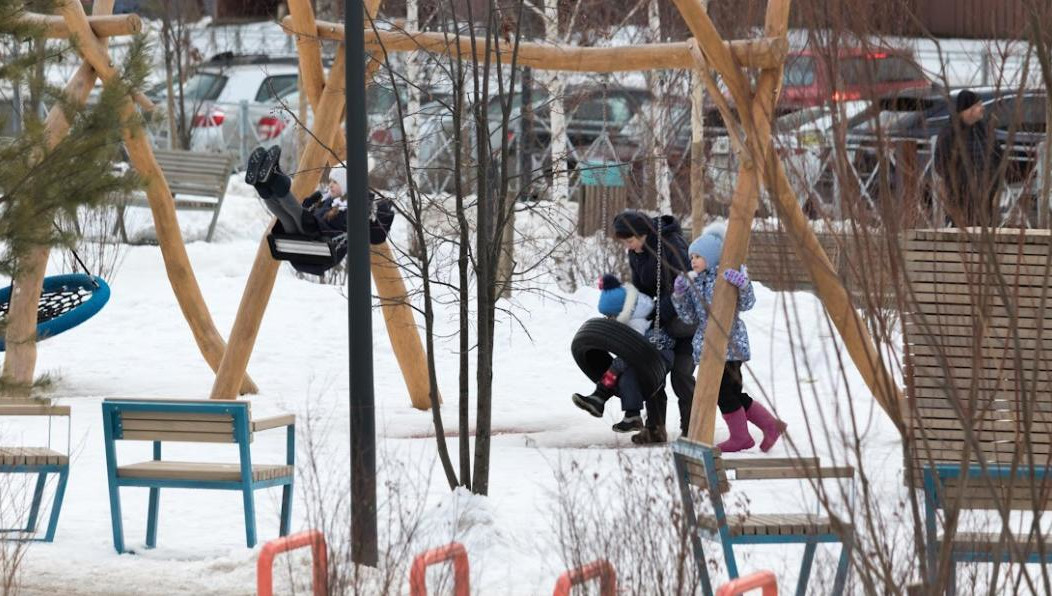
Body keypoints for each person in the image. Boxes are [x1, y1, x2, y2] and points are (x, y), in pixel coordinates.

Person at [671, 222, 785, 453]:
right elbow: (689, 316)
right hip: (708, 345)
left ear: (712, 258)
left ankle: (741, 437)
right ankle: (770, 425)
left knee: (723, 392)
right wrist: (680, 295)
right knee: (731, 393)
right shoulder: (696, 281)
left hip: (729, 344)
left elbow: (747, 303)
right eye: (691, 256)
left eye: (698, 256)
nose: (692, 260)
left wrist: (743, 285)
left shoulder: (726, 277)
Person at [611, 210, 696, 444]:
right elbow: (643, 289)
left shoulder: (671, 245)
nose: (629, 247)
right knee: (652, 371)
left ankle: (693, 429)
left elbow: (686, 285)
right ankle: (655, 428)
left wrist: (659, 310)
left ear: (644, 233)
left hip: (686, 321)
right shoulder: (636, 252)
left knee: (681, 375)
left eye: (630, 241)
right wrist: (628, 305)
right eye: (625, 242)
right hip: (661, 323)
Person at [572, 274, 675, 433]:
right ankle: (632, 416)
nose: (609, 319)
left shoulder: (639, 322)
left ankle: (600, 395)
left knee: (622, 366)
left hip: (659, 357)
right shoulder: (635, 315)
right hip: (643, 357)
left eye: (611, 316)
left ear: (622, 311)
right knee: (628, 375)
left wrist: (612, 370)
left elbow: (634, 350)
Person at [245, 145, 395, 245]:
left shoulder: (349, 207)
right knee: (285, 216)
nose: (330, 185)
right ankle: (263, 185)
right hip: (302, 235)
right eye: (330, 181)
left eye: (335, 182)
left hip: (316, 235)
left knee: (297, 213)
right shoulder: (326, 199)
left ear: (347, 187)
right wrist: (312, 201)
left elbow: (361, 230)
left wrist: (375, 208)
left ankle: (276, 179)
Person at [933, 89, 1005, 227]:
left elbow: (998, 158)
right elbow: (941, 166)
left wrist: (996, 187)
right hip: (961, 198)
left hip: (986, 196)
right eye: (978, 105)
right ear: (967, 109)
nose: (982, 108)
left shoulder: (984, 131)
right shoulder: (949, 134)